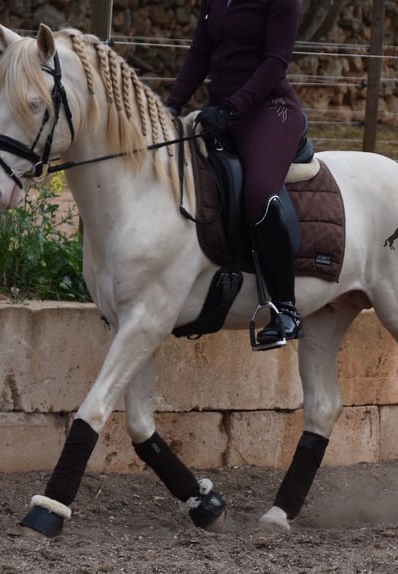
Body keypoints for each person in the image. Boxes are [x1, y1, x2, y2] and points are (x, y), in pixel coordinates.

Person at [166, 0, 305, 347]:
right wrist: (171, 105)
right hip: (222, 112)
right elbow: (199, 53)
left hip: (270, 110)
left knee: (258, 195)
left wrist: (233, 107)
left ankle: (286, 309)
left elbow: (276, 62)